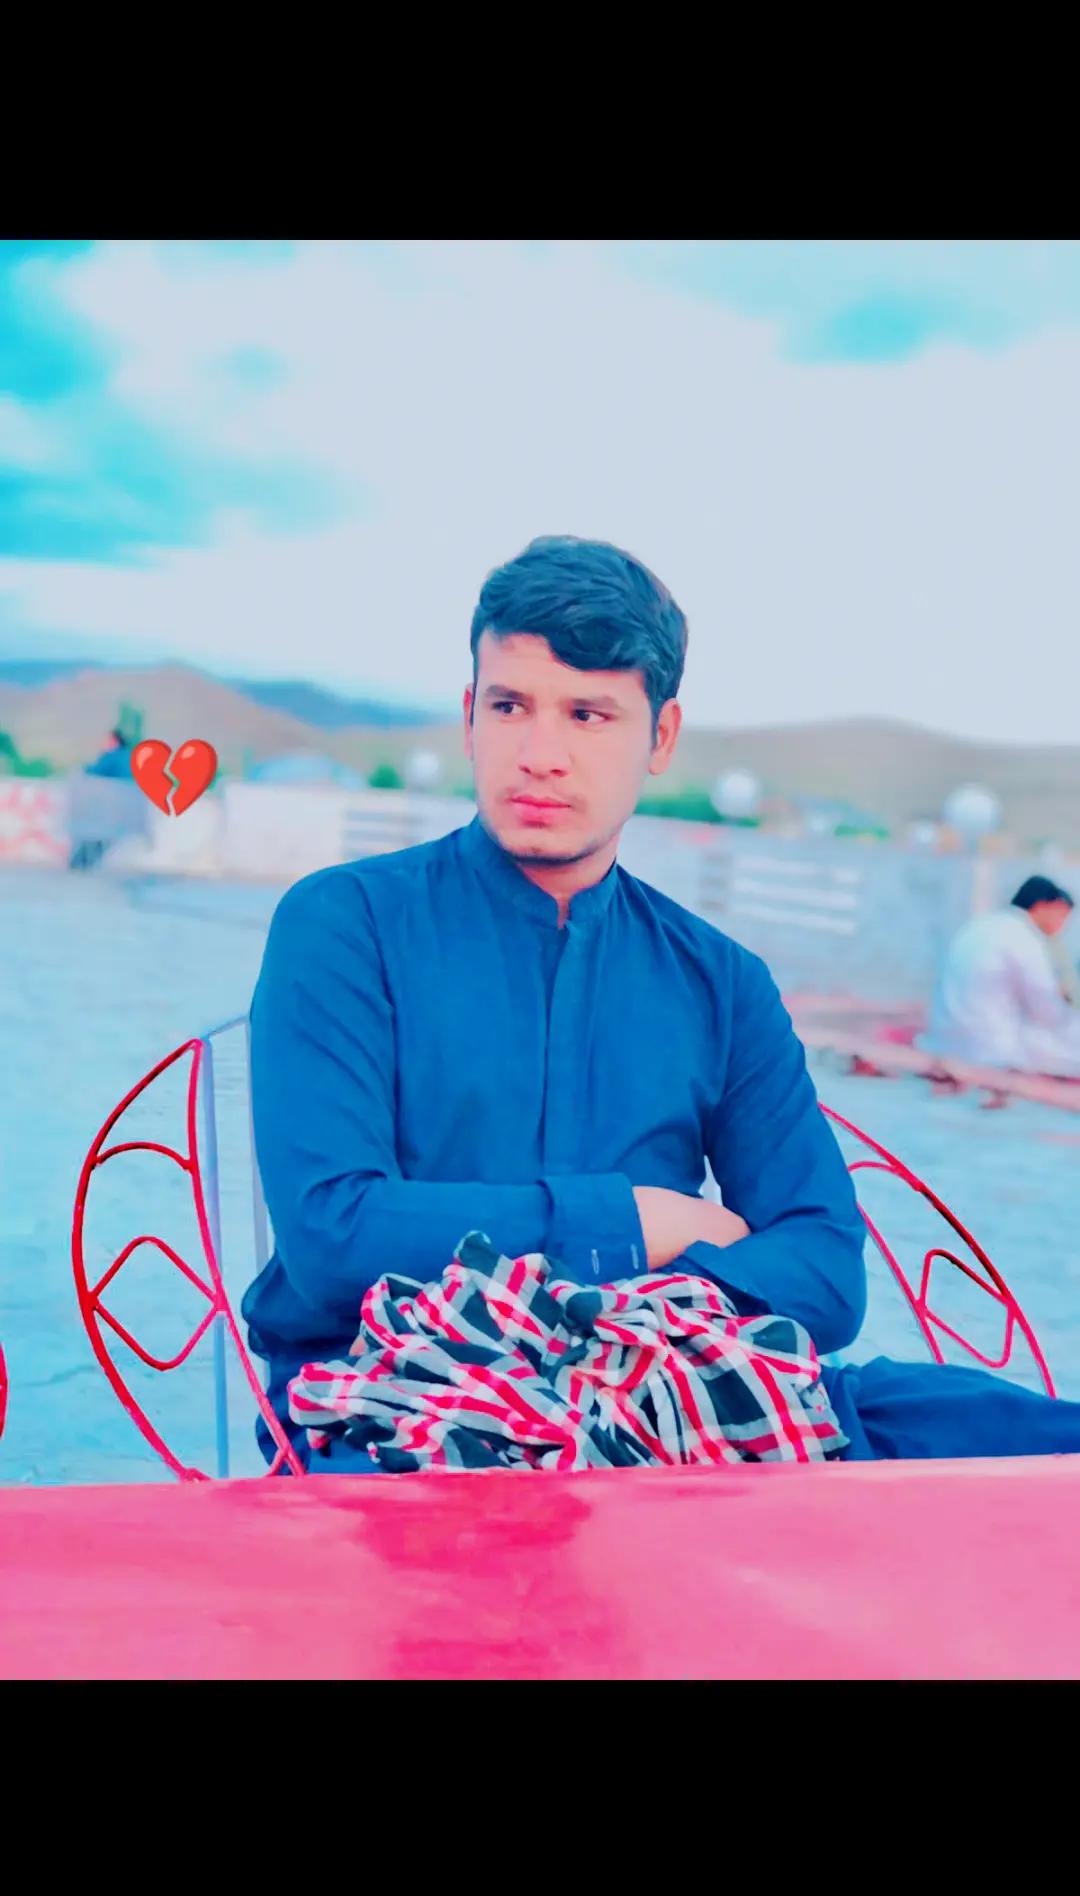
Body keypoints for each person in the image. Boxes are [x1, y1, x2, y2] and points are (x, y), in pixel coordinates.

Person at [243, 536, 1080, 1470]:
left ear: (661, 739)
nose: (541, 755)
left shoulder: (719, 981)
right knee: (503, 1530)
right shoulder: (347, 924)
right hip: (392, 1398)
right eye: (511, 705)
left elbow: (825, 1269)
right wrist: (642, 1222)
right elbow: (334, 1240)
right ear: (470, 717)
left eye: (589, 715)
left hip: (680, 1386)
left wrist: (627, 1315)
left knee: (1026, 1440)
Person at [921, 876, 1080, 1077]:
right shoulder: (1024, 938)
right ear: (1042, 906)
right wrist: (1062, 998)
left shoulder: (982, 924)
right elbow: (1047, 1012)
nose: (1061, 926)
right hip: (990, 1049)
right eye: (1061, 916)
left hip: (945, 1040)